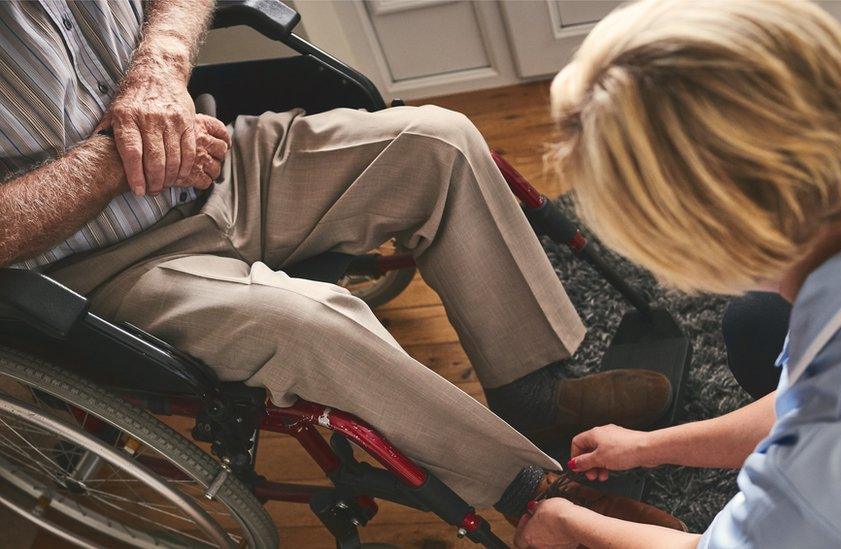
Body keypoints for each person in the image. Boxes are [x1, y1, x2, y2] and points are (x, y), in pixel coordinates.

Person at [0, 0, 679, 523]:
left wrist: (160, 65)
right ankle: (534, 496)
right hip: (94, 265)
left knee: (438, 141)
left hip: (213, 163)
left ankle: (531, 388)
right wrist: (117, 159)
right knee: (314, 319)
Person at [515, 0, 841, 546]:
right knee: (757, 322)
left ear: (688, 245)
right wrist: (646, 446)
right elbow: (806, 393)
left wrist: (562, 522)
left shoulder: (832, 469)